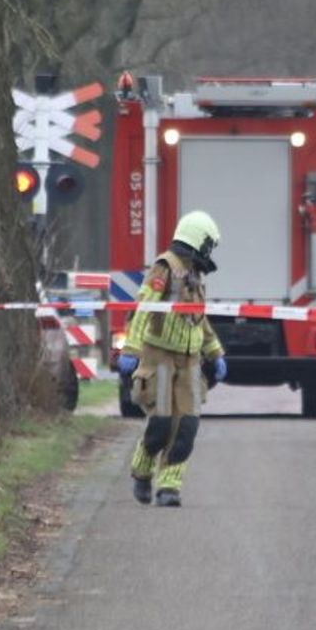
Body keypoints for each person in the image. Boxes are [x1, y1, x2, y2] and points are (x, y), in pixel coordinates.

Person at [115, 211, 228, 508]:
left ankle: (169, 486)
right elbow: (145, 309)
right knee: (161, 425)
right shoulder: (164, 268)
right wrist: (131, 350)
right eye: (209, 244)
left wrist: (215, 353)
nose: (210, 252)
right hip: (160, 357)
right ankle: (142, 471)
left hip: (190, 361)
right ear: (197, 240)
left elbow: (198, 320)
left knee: (187, 426)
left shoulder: (195, 275)